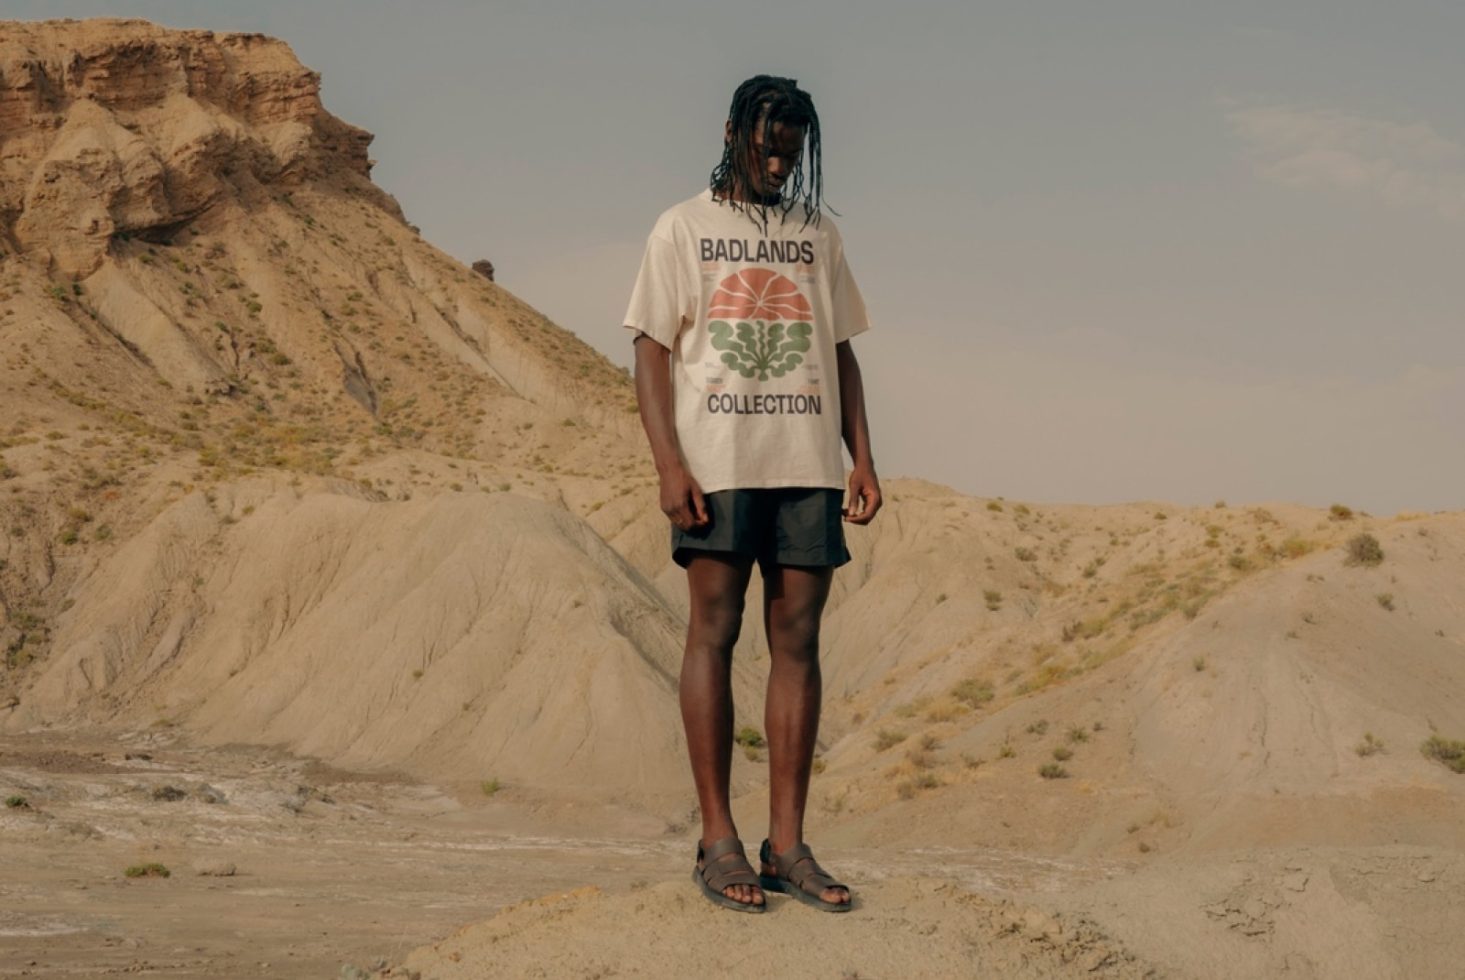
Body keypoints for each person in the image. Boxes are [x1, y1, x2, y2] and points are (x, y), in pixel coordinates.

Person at [623, 74, 881, 913]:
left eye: (791, 150)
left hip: (805, 460)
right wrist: (669, 463)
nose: (778, 161)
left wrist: (863, 457)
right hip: (720, 460)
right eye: (767, 145)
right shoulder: (682, 228)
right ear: (733, 131)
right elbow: (652, 350)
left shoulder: (817, 233)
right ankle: (717, 840)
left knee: (797, 641)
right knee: (715, 632)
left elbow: (839, 350)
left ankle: (787, 847)